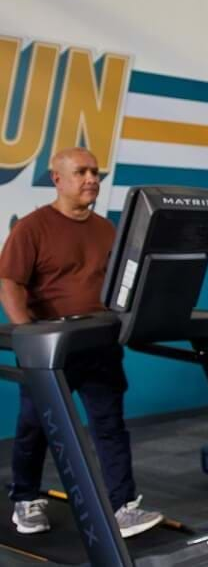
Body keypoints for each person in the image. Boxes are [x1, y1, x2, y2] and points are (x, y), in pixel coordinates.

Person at [0, 148, 163, 538]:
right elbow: (9, 283)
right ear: (58, 179)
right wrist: (28, 336)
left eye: (95, 172)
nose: (91, 178)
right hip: (51, 347)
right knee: (36, 427)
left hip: (99, 344)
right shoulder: (33, 227)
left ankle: (123, 507)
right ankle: (25, 499)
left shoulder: (108, 230)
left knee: (109, 425)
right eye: (81, 172)